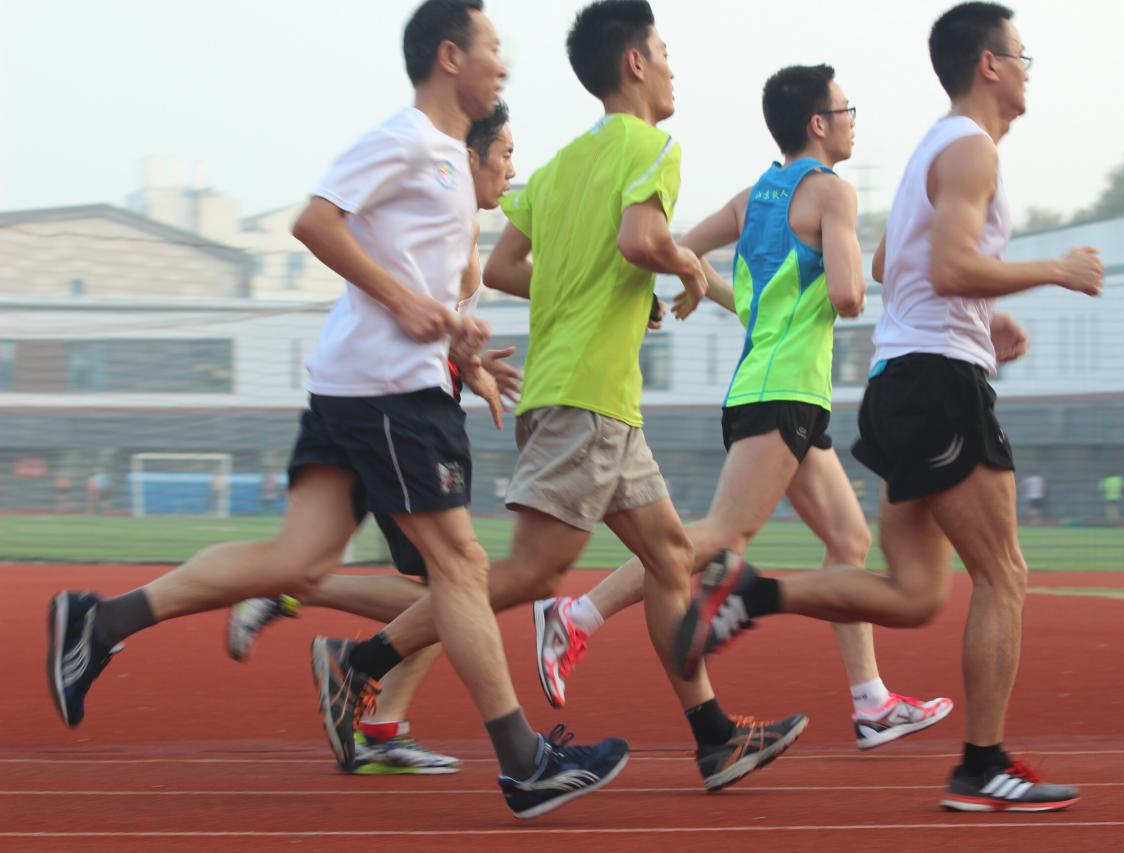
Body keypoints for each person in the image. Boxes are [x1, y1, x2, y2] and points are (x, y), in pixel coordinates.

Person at [47, 0, 628, 821]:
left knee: (297, 557)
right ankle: (525, 760)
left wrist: (460, 346)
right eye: (494, 47)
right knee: (460, 568)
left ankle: (99, 620)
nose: (505, 61)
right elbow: (313, 222)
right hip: (388, 394)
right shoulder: (405, 140)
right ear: (450, 56)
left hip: (367, 384)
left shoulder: (444, 170)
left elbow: (414, 283)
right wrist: (410, 307)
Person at [317, 0, 806, 795]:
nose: (675, 67)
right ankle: (359, 662)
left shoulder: (559, 167)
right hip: (585, 397)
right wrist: (681, 268)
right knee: (525, 574)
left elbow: (508, 265)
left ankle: (715, 738)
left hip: (594, 396)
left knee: (670, 555)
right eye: (666, 51)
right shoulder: (655, 146)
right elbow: (639, 241)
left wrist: (595, 296)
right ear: (635, 64)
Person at [672, 2, 1102, 812]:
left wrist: (986, 312)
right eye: (1022, 55)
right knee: (1004, 574)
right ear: (989, 66)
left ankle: (752, 594)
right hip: (941, 383)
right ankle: (982, 764)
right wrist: (1052, 269)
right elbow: (943, 265)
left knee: (914, 591)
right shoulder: (971, 149)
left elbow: (888, 259)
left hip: (903, 379)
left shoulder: (931, 151)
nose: (1027, 70)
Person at [532, 63, 952, 751]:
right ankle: (577, 614)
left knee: (848, 540)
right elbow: (847, 296)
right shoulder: (833, 194)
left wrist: (699, 284)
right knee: (720, 535)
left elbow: (685, 251)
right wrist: (870, 260)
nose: (853, 120)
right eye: (847, 109)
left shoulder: (755, 195)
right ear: (818, 124)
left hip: (779, 392)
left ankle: (871, 700)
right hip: (780, 391)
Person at [226, 101, 521, 777]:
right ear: (467, 157)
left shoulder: (460, 232)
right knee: (456, 586)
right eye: (503, 153)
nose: (511, 168)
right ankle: (306, 595)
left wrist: (472, 366)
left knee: (446, 587)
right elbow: (396, 303)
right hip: (391, 410)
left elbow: (442, 325)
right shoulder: (430, 206)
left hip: (410, 408)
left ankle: (377, 717)